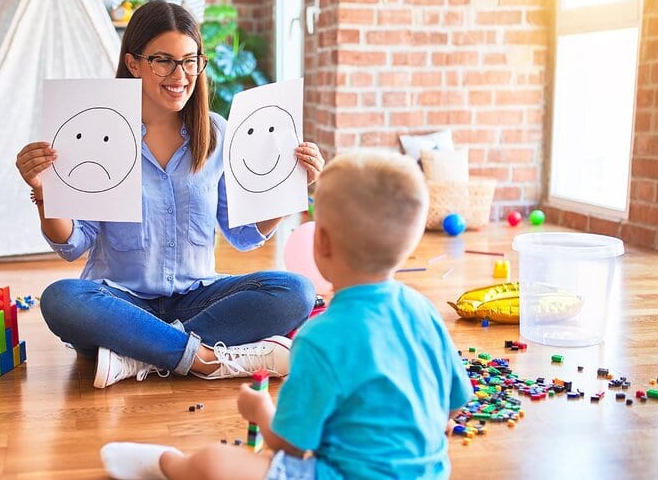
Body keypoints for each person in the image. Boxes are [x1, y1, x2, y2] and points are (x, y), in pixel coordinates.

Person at [100, 150, 473, 479]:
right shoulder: (424, 312)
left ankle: (171, 465)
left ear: (321, 242)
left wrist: (261, 410)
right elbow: (456, 403)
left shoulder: (320, 337)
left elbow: (289, 447)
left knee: (214, 463)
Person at [14, 0, 324, 389]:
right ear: (133, 63)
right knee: (62, 299)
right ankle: (204, 358)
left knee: (296, 291)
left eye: (191, 60)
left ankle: (139, 355)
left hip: (196, 297)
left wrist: (289, 185)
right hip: (119, 302)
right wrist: (44, 192)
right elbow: (73, 244)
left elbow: (243, 234)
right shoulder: (100, 132)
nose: (181, 75)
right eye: (164, 61)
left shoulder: (216, 134)